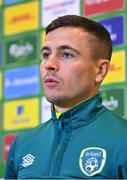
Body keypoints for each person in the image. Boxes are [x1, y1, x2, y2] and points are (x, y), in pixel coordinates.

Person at [5, 15, 127, 179]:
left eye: (66, 54)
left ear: (100, 71)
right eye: (46, 54)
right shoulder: (23, 144)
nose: (49, 64)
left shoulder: (123, 139)